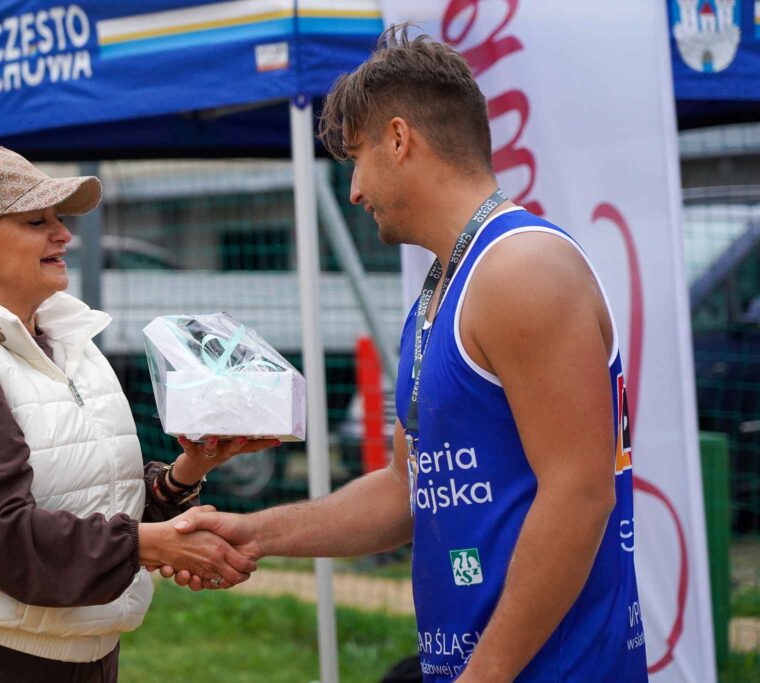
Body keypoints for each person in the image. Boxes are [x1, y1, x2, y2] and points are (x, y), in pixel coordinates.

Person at [169, 28, 648, 681]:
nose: (354, 192)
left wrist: (485, 674)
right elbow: (407, 487)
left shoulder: (521, 269)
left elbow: (580, 492)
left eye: (358, 158)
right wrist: (254, 532)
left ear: (400, 140)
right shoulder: (443, 288)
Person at [0, 146, 272, 683]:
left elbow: (92, 503)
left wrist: (186, 474)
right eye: (37, 221)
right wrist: (150, 545)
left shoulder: (70, 344)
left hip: (78, 651)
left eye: (60, 220)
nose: (63, 235)